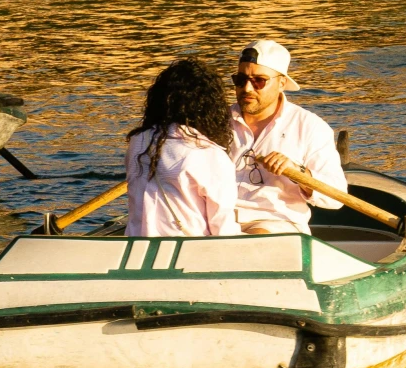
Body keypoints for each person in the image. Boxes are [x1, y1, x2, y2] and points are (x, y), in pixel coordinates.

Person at [228, 40, 346, 234]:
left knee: (253, 240)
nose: (247, 88)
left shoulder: (310, 126)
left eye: (259, 81)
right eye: (240, 80)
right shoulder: (214, 121)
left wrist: (298, 172)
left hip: (275, 224)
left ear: (281, 83)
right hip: (217, 220)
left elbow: (335, 198)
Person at [121, 58, 240, 237]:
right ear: (210, 107)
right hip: (189, 253)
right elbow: (223, 229)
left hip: (137, 244)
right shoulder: (208, 154)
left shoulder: (138, 141)